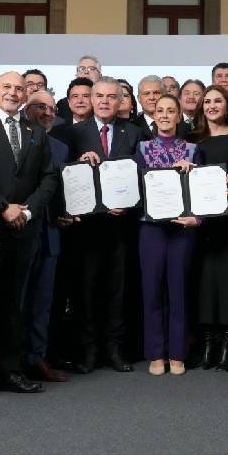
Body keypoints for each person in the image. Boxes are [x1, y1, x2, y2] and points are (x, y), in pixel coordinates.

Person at [0, 71, 59, 400]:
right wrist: (3, 207)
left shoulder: (35, 129)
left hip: (24, 232)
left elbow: (48, 177)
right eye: (7, 87)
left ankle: (9, 371)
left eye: (19, 88)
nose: (13, 93)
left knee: (14, 304)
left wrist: (28, 210)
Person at [67, 76, 147, 373]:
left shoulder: (135, 133)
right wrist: (78, 161)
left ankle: (114, 349)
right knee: (85, 292)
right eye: (98, 95)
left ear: (121, 101)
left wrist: (127, 204)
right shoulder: (72, 134)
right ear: (90, 99)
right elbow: (63, 176)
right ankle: (88, 351)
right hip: (86, 229)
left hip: (121, 228)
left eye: (111, 96)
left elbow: (143, 178)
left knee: (118, 290)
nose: (104, 101)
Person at [188, 86, 228, 371]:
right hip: (200, 226)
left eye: (218, 101)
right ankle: (207, 344)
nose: (212, 106)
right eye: (207, 102)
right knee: (203, 284)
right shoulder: (191, 141)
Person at [135, 94, 201, 375]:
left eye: (170, 111)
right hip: (151, 229)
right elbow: (133, 190)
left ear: (178, 116)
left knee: (179, 291)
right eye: (159, 110)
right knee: (151, 291)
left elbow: (201, 194)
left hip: (181, 230)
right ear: (153, 115)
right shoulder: (141, 148)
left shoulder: (192, 150)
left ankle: (177, 352)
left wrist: (197, 218)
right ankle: (155, 353)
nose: (164, 115)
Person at [19, 90, 70, 384]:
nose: (48, 113)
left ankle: (36, 359)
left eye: (52, 108)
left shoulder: (62, 148)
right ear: (27, 110)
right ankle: (11, 362)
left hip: (51, 234)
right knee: (17, 302)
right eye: (40, 107)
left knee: (42, 302)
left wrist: (66, 212)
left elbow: (64, 191)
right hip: (20, 232)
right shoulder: (16, 140)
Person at [55, 55, 102, 122]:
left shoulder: (107, 101)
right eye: (82, 69)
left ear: (100, 76)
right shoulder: (63, 104)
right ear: (76, 74)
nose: (86, 72)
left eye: (91, 68)